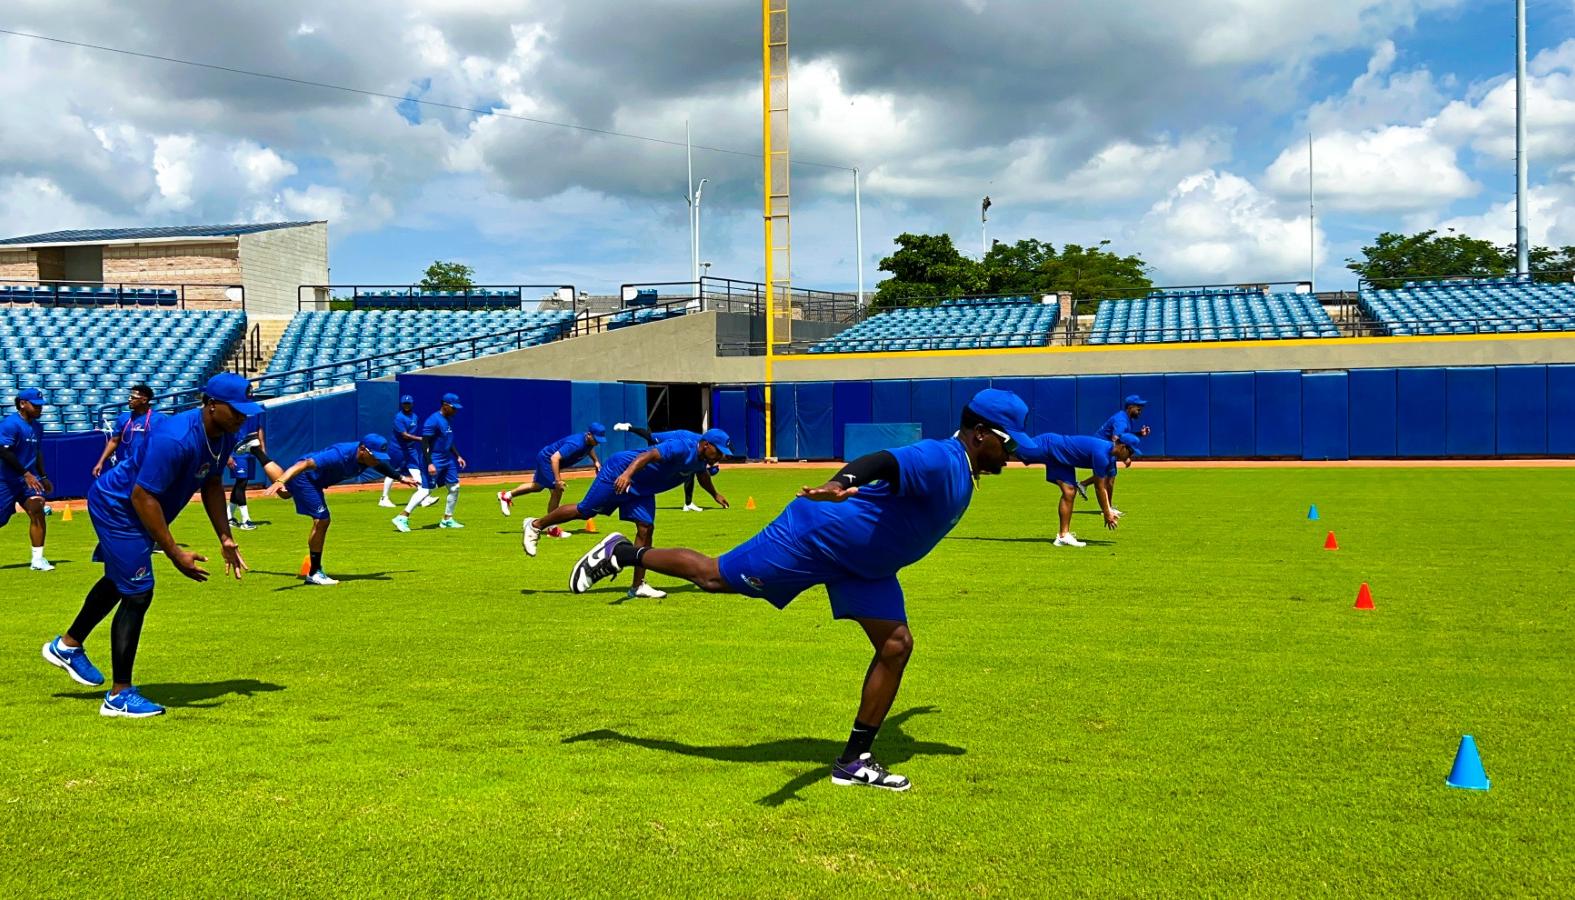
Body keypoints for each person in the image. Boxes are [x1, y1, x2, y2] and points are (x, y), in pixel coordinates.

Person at [565, 389, 1036, 791]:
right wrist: (840, 483)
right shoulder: (942, 458)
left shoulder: (966, 468)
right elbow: (884, 461)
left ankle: (854, 762)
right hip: (815, 538)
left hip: (866, 566)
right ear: (980, 434)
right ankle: (624, 554)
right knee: (715, 577)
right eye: (1008, 443)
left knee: (896, 646)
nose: (1012, 453)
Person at [40, 373, 258, 718]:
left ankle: (68, 645)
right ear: (211, 405)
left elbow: (213, 483)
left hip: (139, 506)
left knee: (121, 580)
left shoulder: (226, 435)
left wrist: (225, 536)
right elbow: (143, 496)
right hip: (119, 505)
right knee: (139, 591)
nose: (243, 416)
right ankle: (119, 696)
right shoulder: (176, 438)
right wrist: (174, 552)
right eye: (236, 409)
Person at [523, 429, 731, 600]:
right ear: (706, 445)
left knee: (646, 528)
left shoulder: (702, 460)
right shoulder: (681, 446)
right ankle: (535, 525)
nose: (720, 456)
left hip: (644, 487)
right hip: (620, 471)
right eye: (719, 451)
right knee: (585, 511)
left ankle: (638, 586)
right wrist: (626, 475)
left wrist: (715, 494)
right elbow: (647, 455)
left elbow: (702, 475)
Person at [261, 434, 416, 585]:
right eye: (374, 456)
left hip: (317, 481)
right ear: (362, 450)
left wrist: (400, 478)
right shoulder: (339, 455)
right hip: (306, 478)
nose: (376, 460)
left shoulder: (367, 458)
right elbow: (304, 464)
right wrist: (280, 480)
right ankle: (314, 572)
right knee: (322, 520)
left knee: (284, 493)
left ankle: (255, 450)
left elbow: (380, 465)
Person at [1019, 431, 1140, 547]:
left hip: (1062, 460)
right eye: (1131, 452)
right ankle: (1002, 432)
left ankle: (1063, 536)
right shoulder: (1102, 454)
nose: (1131, 456)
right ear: (1123, 447)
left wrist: (1108, 509)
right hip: (1049, 446)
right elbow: (1099, 487)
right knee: (1016, 450)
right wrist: (1107, 512)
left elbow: (1108, 482)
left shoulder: (1111, 458)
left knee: (1070, 491)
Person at [497, 422, 607, 518]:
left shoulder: (589, 442)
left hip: (547, 459)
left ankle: (506, 496)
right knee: (557, 490)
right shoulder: (575, 444)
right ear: (588, 435)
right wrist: (558, 481)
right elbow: (555, 458)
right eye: (596, 439)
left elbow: (589, 449)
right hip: (547, 460)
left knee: (537, 486)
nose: (597, 443)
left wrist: (596, 461)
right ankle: (552, 527)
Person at [393, 393, 466, 532]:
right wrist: (429, 463)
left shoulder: (448, 419)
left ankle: (447, 519)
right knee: (426, 490)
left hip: (447, 459)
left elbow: (448, 440)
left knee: (454, 487)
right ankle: (402, 517)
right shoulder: (433, 420)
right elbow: (425, 443)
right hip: (434, 458)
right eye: (453, 407)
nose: (456, 410)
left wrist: (458, 456)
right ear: (445, 405)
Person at [613, 422, 723, 512]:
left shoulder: (706, 456)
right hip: (679, 436)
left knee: (689, 471)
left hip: (691, 451)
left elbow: (703, 475)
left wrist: (715, 494)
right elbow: (703, 474)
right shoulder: (691, 448)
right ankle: (629, 428)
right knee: (651, 437)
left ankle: (688, 503)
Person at [1, 387, 54, 571]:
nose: (40, 409)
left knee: (37, 509)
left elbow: (37, 453)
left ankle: (38, 560)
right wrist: (25, 473)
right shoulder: (10, 424)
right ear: (23, 404)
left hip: (28, 480)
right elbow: (3, 451)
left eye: (41, 406)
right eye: (35, 405)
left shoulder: (37, 427)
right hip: (5, 480)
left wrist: (43, 476)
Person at [1078, 395, 1151, 514]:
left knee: (1109, 477)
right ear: (1130, 407)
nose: (1140, 410)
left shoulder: (1126, 417)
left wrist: (1139, 433)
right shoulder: (1121, 420)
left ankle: (1084, 485)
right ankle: (1107, 508)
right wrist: (1124, 457)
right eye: (1138, 408)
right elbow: (1115, 438)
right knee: (1108, 479)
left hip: (1106, 447)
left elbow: (1123, 436)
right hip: (1103, 448)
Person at [91, 384, 162, 478]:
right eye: (129, 397)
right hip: (129, 465)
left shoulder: (160, 419)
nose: (129, 399)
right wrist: (100, 463)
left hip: (149, 465)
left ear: (144, 400)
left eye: (133, 398)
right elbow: (113, 441)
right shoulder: (123, 418)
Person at [380, 395, 426, 509]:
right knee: (393, 472)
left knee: (416, 470)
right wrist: (421, 439)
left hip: (410, 449)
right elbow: (404, 435)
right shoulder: (399, 418)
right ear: (401, 404)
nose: (406, 405)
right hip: (398, 449)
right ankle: (384, 498)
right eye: (404, 404)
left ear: (412, 404)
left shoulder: (415, 416)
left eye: (408, 403)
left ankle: (424, 496)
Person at [227, 405, 267, 531]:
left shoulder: (258, 407)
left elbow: (259, 428)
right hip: (238, 451)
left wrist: (263, 448)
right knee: (241, 482)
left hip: (252, 449)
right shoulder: (234, 407)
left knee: (241, 483)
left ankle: (229, 517)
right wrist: (228, 455)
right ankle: (245, 520)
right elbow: (228, 431)